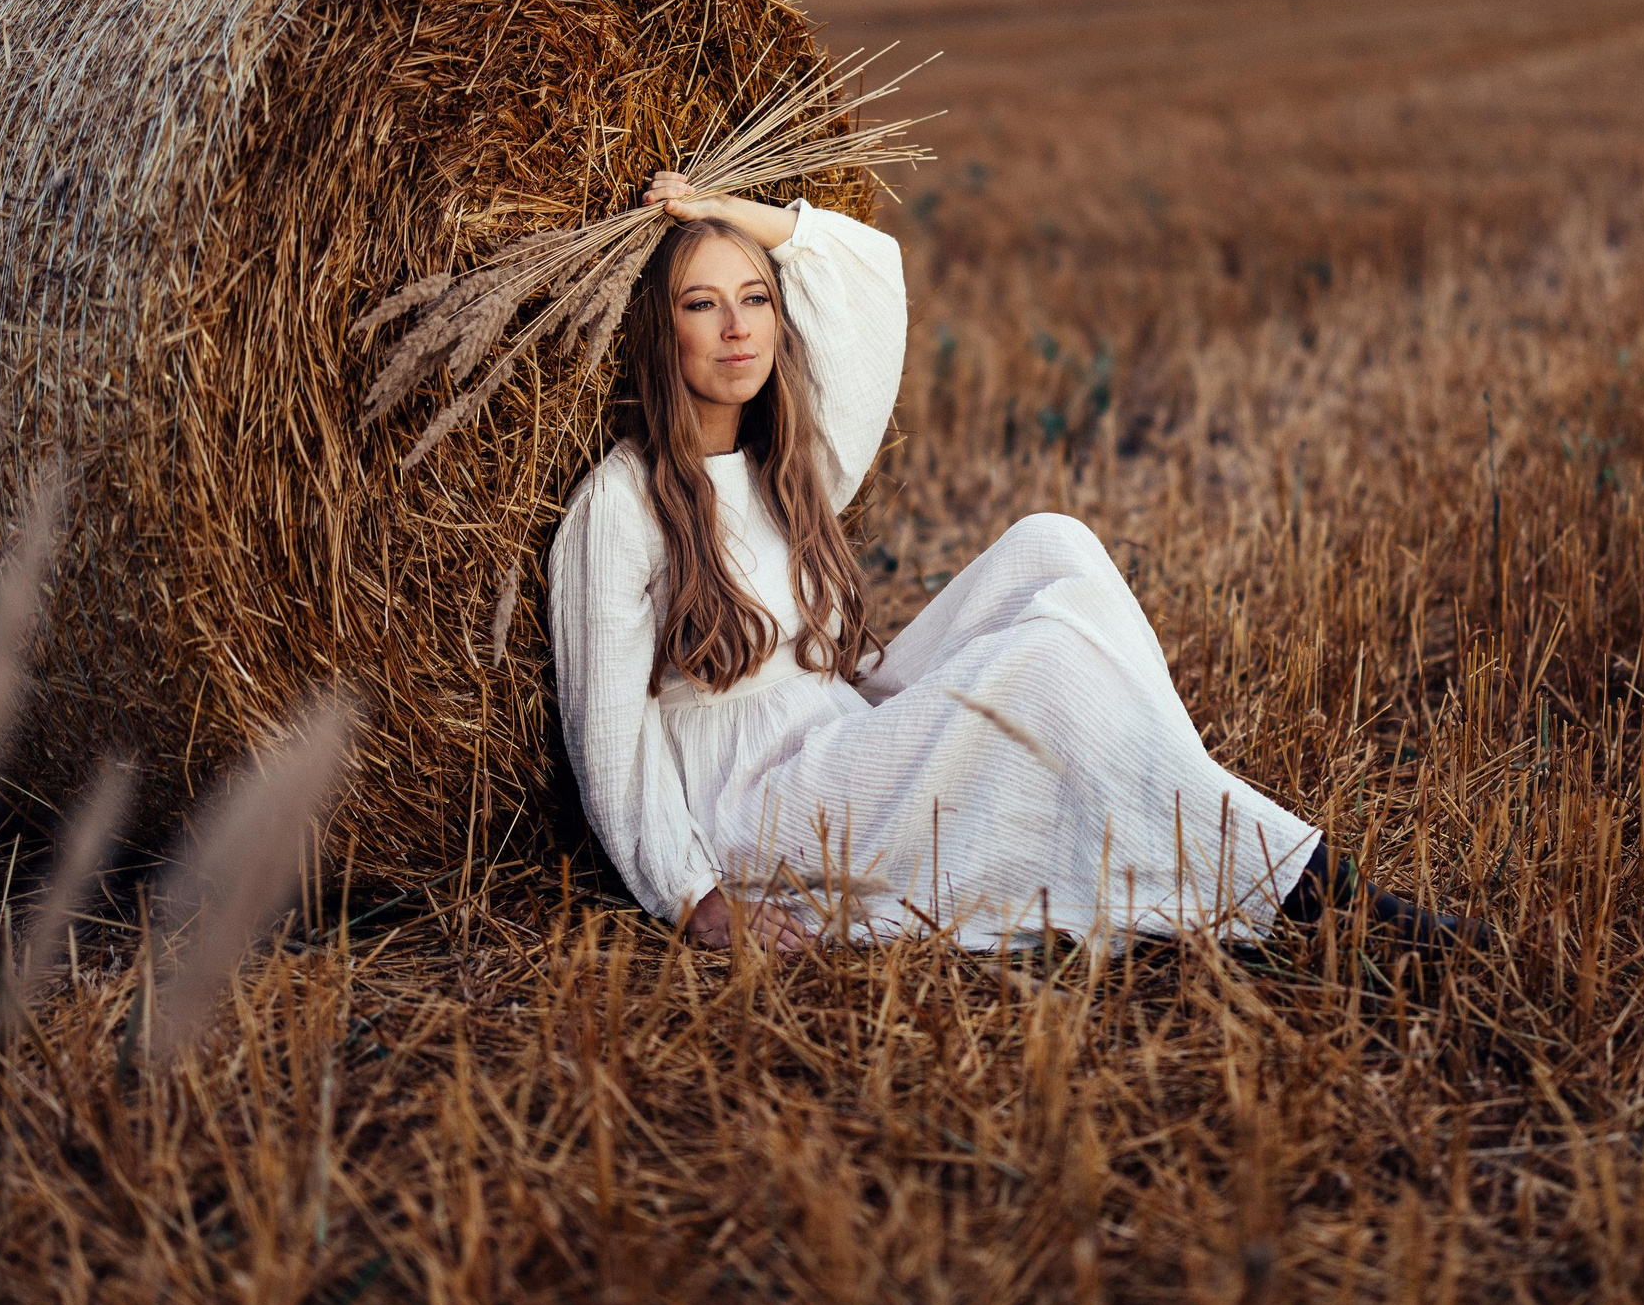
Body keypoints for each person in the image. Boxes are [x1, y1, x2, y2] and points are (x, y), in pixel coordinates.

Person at [548, 172, 1473, 957]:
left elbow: (867, 277)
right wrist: (696, 897)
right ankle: (1317, 896)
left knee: (1053, 544)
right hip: (755, 800)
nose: (736, 329)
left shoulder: (783, 462)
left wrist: (720, 209)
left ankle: (1184, 801)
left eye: (755, 299)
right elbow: (609, 737)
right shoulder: (621, 508)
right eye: (700, 305)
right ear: (659, 332)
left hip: (833, 717)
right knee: (1047, 670)